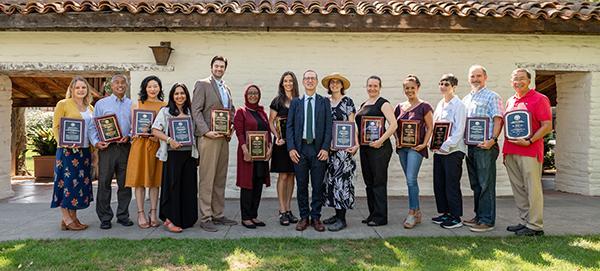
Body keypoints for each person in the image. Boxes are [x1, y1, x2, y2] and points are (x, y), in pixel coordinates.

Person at [503, 68, 552, 236]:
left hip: (530, 150)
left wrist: (530, 141)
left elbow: (547, 125)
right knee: (519, 188)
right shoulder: (510, 101)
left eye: (522, 78)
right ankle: (524, 221)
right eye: (515, 79)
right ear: (511, 82)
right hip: (510, 151)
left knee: (533, 189)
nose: (518, 82)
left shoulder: (539, 99)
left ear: (529, 81)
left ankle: (535, 225)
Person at [191, 55, 237, 232]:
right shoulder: (202, 84)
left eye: (222, 66)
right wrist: (206, 132)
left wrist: (231, 126)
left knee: (219, 177)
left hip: (223, 138)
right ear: (211, 67)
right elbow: (196, 110)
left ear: (225, 68)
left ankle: (218, 214)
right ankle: (205, 217)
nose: (219, 69)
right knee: (207, 178)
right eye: (216, 66)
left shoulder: (226, 87)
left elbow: (230, 110)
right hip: (209, 138)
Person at [286, 70, 333, 232]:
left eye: (313, 78)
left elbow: (329, 127)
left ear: (317, 81)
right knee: (301, 185)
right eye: (307, 78)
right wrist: (291, 148)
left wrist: (326, 148)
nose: (310, 81)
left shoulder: (324, 102)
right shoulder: (296, 102)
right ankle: (304, 217)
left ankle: (316, 217)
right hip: (300, 149)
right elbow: (289, 127)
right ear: (303, 81)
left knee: (318, 185)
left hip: (318, 149)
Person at [462, 65, 504, 232]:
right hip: (470, 147)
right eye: (472, 76)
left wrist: (492, 140)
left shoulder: (492, 96)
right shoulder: (466, 98)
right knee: (476, 184)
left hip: (485, 147)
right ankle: (479, 216)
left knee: (486, 183)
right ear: (468, 79)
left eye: (479, 76)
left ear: (485, 78)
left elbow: (498, 119)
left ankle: (487, 220)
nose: (475, 79)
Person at [152, 83, 199, 233]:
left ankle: (186, 218)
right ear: (172, 96)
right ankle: (170, 220)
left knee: (188, 187)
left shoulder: (191, 111)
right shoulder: (165, 111)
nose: (180, 96)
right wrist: (169, 140)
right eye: (176, 93)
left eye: (182, 93)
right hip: (173, 155)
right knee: (172, 187)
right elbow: (155, 130)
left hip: (189, 154)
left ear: (186, 96)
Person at [51, 76, 95, 231]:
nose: (81, 90)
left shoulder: (90, 108)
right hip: (67, 151)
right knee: (65, 183)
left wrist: (95, 147)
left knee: (78, 185)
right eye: (77, 88)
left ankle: (73, 218)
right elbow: (56, 127)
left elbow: (92, 130)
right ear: (71, 89)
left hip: (84, 151)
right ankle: (66, 217)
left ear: (87, 90)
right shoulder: (63, 104)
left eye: (83, 87)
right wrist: (64, 144)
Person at [90, 74, 134, 230]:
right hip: (107, 149)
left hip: (125, 147)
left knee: (125, 184)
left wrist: (129, 136)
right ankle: (105, 217)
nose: (120, 85)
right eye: (117, 83)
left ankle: (123, 215)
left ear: (126, 86)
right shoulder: (101, 104)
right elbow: (93, 126)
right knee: (104, 183)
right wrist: (96, 142)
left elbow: (134, 126)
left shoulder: (132, 104)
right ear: (111, 86)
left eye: (123, 83)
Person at [125, 75, 167, 229]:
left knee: (156, 181)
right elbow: (132, 127)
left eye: (155, 86)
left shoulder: (165, 105)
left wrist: (159, 136)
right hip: (140, 146)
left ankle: (154, 212)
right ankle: (141, 213)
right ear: (144, 88)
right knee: (140, 180)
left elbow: (166, 128)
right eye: (149, 86)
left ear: (160, 88)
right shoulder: (137, 105)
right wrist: (134, 132)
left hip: (156, 146)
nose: (152, 89)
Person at [356, 76, 398, 226]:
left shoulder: (384, 103)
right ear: (366, 87)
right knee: (369, 182)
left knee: (379, 182)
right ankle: (372, 214)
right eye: (369, 86)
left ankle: (380, 217)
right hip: (365, 148)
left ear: (380, 87)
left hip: (379, 149)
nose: (372, 88)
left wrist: (380, 141)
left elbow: (394, 125)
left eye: (375, 86)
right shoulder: (364, 104)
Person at [393, 74, 433, 229]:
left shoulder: (425, 106)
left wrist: (424, 144)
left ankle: (412, 212)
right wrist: (396, 139)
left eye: (412, 87)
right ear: (404, 89)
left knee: (411, 179)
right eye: (407, 88)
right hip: (402, 148)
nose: (410, 90)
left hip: (416, 148)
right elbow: (395, 127)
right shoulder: (399, 107)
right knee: (409, 180)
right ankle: (417, 212)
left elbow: (430, 127)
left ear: (418, 88)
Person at [322, 72, 358, 232]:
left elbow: (352, 124)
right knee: (332, 183)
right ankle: (336, 215)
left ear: (342, 85)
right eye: (332, 82)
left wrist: (355, 144)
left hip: (344, 150)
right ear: (329, 86)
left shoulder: (348, 102)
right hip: (330, 149)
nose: (334, 84)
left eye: (337, 82)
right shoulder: (325, 102)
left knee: (342, 183)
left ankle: (342, 219)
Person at [431, 74, 467, 229]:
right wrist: (434, 143)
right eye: (441, 83)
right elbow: (436, 126)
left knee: (451, 184)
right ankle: (445, 213)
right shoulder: (440, 103)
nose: (443, 86)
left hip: (453, 151)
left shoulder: (459, 105)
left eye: (446, 84)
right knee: (439, 183)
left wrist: (446, 145)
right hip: (439, 151)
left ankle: (456, 217)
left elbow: (459, 130)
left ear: (454, 86)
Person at [234, 85, 272, 229]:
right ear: (245, 95)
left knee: (257, 184)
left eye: (255, 93)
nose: (253, 95)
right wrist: (245, 150)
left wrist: (270, 148)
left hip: (261, 156)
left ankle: (254, 215)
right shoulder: (241, 112)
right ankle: (245, 217)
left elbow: (268, 132)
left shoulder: (262, 112)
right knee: (247, 185)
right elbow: (240, 133)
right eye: (250, 93)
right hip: (248, 155)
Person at [269, 71, 300, 226]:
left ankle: (288, 209)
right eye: (285, 81)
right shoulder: (277, 101)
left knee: (292, 175)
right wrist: (277, 137)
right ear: (282, 84)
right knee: (283, 176)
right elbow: (271, 122)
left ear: (294, 83)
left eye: (290, 81)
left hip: (295, 145)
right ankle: (282, 210)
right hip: (281, 145)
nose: (288, 83)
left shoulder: (299, 101)